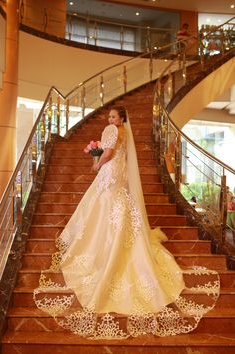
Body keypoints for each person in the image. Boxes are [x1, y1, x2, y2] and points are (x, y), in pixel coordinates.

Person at [34, 106, 219, 339]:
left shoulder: (111, 130)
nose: (110, 119)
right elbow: (116, 152)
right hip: (118, 175)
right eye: (109, 116)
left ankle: (100, 246)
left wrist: (96, 163)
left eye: (114, 116)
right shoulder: (126, 133)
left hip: (110, 171)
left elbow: (109, 153)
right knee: (112, 205)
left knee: (102, 206)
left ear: (122, 117)